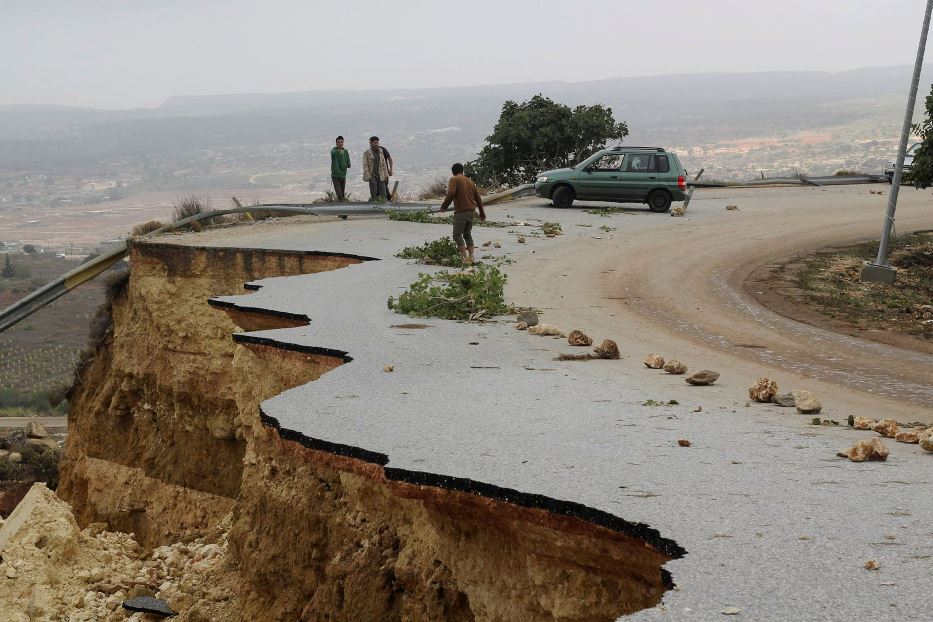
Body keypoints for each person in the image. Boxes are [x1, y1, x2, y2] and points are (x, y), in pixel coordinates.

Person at [439, 162, 485, 264]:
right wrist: (482, 212)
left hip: (461, 212)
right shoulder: (470, 181)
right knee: (467, 234)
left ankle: (464, 258)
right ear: (462, 171)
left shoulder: (454, 179)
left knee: (457, 235)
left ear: (453, 172)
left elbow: (451, 194)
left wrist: (444, 206)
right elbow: (478, 198)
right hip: (471, 211)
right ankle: (472, 257)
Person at [362, 136, 390, 201]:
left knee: (383, 194)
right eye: (375, 142)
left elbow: (384, 165)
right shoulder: (367, 153)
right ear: (370, 143)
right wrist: (368, 176)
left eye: (377, 142)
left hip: (381, 175)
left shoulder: (381, 152)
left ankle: (384, 209)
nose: (376, 144)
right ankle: (373, 208)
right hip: (372, 176)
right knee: (374, 194)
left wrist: (386, 175)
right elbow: (365, 166)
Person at [330, 136, 351, 201]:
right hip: (335, 175)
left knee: (342, 193)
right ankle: (340, 205)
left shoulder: (345, 151)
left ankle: (342, 206)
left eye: (341, 142)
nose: (340, 143)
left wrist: (348, 164)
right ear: (336, 143)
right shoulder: (333, 151)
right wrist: (340, 152)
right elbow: (333, 152)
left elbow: (348, 161)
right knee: (339, 194)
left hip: (343, 174)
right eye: (338, 142)